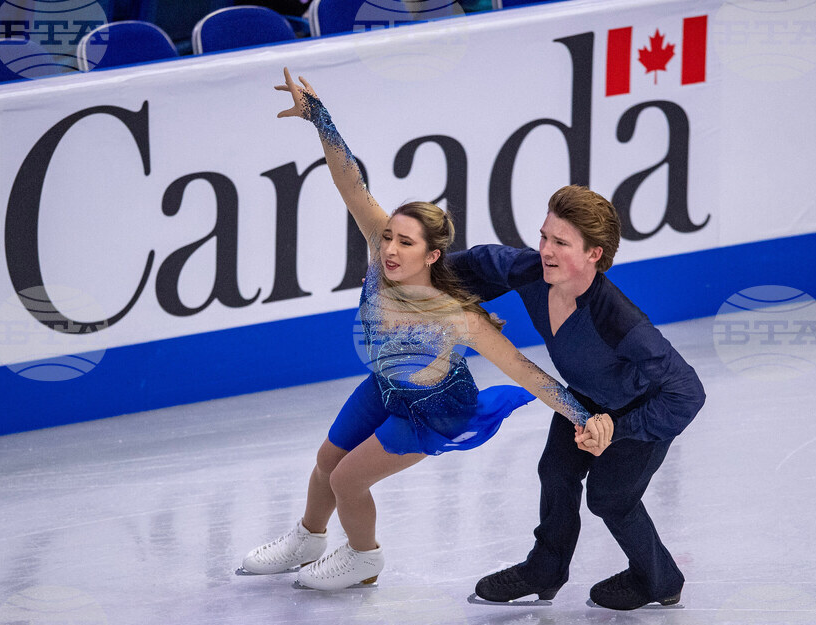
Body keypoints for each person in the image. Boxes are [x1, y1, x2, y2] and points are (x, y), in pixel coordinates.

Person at [236, 69, 606, 591]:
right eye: (387, 236)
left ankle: (364, 559)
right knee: (325, 462)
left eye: (405, 243)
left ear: (431, 256)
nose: (390, 248)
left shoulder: (455, 317)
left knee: (347, 479)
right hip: (388, 384)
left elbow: (525, 372)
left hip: (435, 409)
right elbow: (350, 182)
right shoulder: (379, 255)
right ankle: (308, 538)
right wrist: (319, 118)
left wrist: (583, 416)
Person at [447, 186, 706, 610]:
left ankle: (660, 579)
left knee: (610, 499)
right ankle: (545, 569)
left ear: (593, 254)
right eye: (544, 236)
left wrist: (616, 428)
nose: (545, 250)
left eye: (560, 243)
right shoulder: (533, 271)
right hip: (586, 397)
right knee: (555, 471)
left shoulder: (620, 320)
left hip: (641, 409)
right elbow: (479, 263)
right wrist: (416, 278)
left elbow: (687, 392)